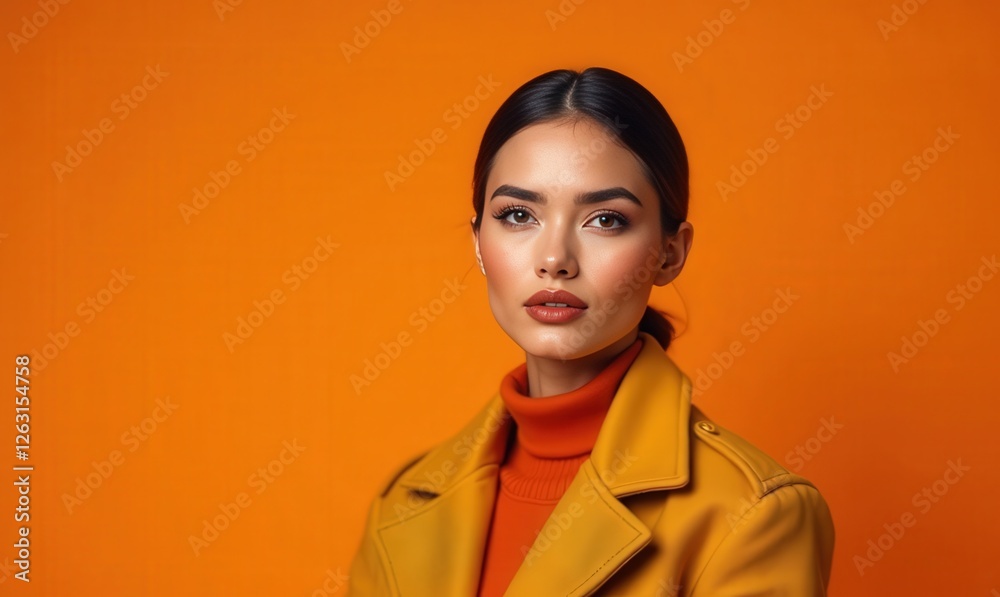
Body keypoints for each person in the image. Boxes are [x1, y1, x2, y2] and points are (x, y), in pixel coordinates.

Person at [345, 66, 835, 596]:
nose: (555, 258)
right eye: (517, 214)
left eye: (605, 219)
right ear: (478, 243)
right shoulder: (406, 501)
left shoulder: (752, 513)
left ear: (670, 253)